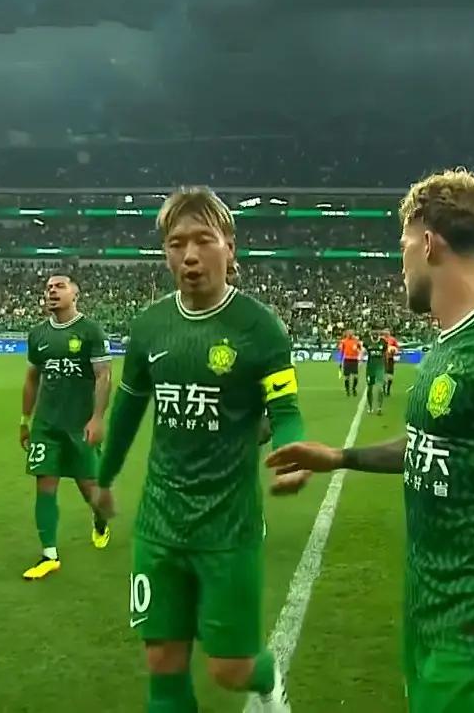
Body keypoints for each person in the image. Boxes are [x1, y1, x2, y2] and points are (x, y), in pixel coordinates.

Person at [267, 169, 474, 713]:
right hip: (430, 619)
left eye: (404, 246)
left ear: (430, 243)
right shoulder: (448, 343)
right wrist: (340, 456)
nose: (402, 263)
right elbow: (431, 444)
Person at [96, 187, 309, 712]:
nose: (189, 255)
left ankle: (267, 679)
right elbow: (126, 412)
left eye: (203, 240)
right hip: (159, 522)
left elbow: (285, 411)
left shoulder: (260, 328)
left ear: (229, 248)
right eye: (177, 244)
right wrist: (103, 479)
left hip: (227, 526)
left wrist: (292, 452)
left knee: (229, 669)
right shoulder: (149, 327)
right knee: (162, 662)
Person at [18, 274, 114, 581]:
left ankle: (100, 520)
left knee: (91, 490)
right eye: (48, 288)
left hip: (79, 425)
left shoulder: (90, 330)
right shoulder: (38, 334)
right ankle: (49, 555)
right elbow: (32, 378)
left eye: (59, 286)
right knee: (45, 483)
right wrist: (25, 420)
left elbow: (103, 375)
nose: (52, 291)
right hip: (47, 425)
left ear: (75, 294)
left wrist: (97, 418)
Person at [365, 328, 387, 415]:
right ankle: (370, 407)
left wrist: (385, 366)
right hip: (370, 368)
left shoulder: (383, 342)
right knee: (369, 388)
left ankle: (379, 408)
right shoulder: (367, 342)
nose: (375, 334)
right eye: (373, 332)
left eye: (376, 332)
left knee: (380, 388)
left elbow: (385, 353)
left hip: (380, 367)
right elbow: (363, 351)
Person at [338, 329, 363, 397]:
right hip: (347, 360)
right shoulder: (344, 341)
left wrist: (360, 359)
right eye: (349, 333)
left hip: (354, 360)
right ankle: (347, 390)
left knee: (356, 376)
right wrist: (340, 361)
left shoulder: (356, 341)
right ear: (346, 334)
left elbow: (360, 350)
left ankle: (354, 389)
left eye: (351, 333)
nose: (350, 334)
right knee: (347, 377)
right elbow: (341, 352)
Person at [381, 328, 401, 396]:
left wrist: (394, 351)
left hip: (390, 359)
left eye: (387, 332)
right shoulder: (381, 339)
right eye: (385, 332)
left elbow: (397, 348)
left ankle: (388, 390)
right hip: (383, 359)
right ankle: (383, 389)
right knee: (383, 374)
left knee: (390, 375)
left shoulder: (393, 339)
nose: (386, 333)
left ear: (389, 332)